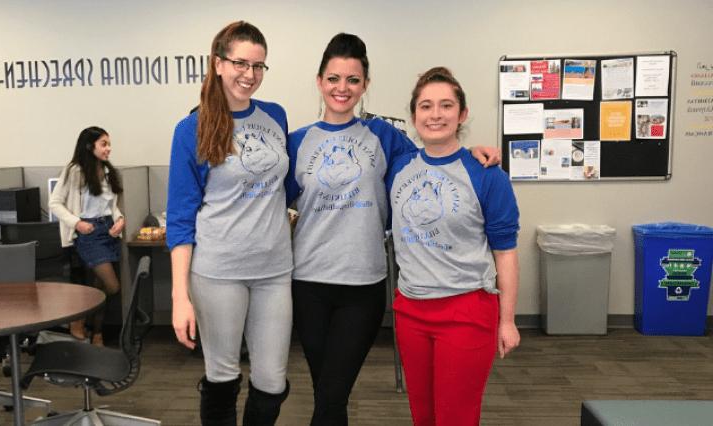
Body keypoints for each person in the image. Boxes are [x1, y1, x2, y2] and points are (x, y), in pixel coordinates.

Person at [285, 34, 501, 426]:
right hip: (308, 284)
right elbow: (269, 199)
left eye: (352, 79)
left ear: (365, 84)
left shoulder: (384, 137)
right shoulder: (298, 142)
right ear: (319, 82)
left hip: (363, 286)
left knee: (332, 392)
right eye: (333, 78)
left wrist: (471, 152)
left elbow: (434, 152)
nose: (342, 88)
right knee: (326, 391)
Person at [166, 21, 292, 426]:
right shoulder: (192, 128)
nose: (249, 75)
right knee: (222, 376)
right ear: (218, 64)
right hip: (219, 271)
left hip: (275, 269)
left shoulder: (276, 116)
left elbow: (291, 182)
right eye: (240, 63)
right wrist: (179, 297)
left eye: (258, 66)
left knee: (272, 381)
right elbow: (181, 220)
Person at [386, 67, 521, 426]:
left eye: (446, 105)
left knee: (455, 417)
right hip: (411, 310)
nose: (436, 114)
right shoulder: (398, 166)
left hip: (466, 311)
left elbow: (505, 251)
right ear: (414, 115)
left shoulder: (487, 174)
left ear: (462, 114)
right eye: (426, 106)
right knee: (424, 416)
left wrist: (507, 320)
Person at [49, 126, 125, 347]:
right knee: (112, 287)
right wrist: (77, 223)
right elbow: (54, 203)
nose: (108, 149)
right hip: (88, 234)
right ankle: (79, 319)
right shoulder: (74, 171)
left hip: (108, 231)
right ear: (89, 146)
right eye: (104, 144)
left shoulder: (109, 171)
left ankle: (97, 333)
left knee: (96, 287)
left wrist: (120, 220)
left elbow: (112, 205)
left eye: (109, 144)